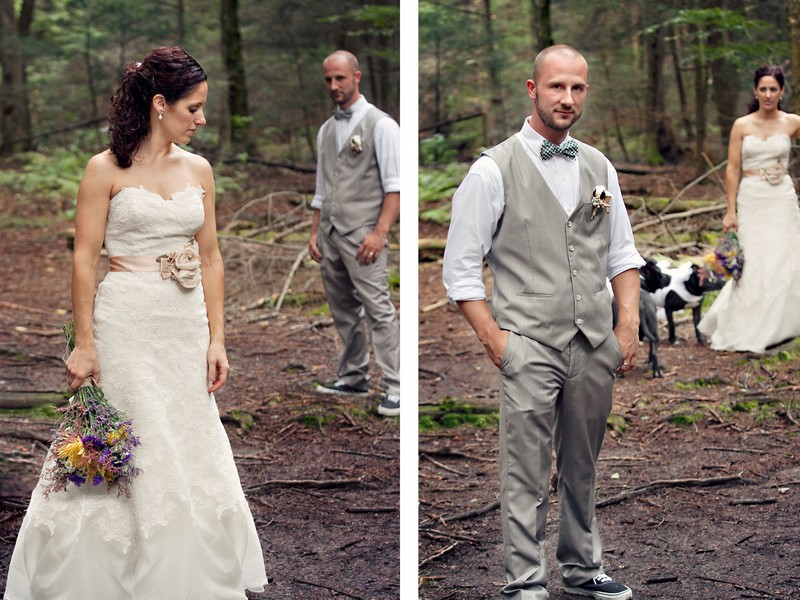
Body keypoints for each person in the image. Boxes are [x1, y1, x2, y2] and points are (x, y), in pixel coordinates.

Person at [4, 47, 267, 598]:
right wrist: (85, 345)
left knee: (187, 436)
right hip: (125, 319)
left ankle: (184, 570)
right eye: (193, 108)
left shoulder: (200, 169)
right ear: (158, 103)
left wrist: (217, 337)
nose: (201, 120)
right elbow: (83, 258)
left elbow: (212, 256)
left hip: (185, 323)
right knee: (122, 438)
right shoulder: (105, 169)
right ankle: (99, 572)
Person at [442, 45, 642, 600]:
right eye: (557, 87)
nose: (568, 99)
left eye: (578, 88)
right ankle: (525, 582)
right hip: (527, 343)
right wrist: (497, 342)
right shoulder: (492, 169)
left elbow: (622, 254)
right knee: (525, 470)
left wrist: (626, 327)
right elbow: (460, 270)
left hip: (594, 344)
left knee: (584, 463)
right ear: (533, 89)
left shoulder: (600, 167)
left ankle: (583, 570)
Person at [308, 50, 401, 417]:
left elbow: (395, 186)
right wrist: (315, 231)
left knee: (378, 308)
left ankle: (397, 386)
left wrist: (379, 233)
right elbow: (321, 185)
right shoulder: (326, 130)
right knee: (343, 307)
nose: (334, 86)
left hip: (364, 233)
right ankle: (352, 376)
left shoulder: (382, 125)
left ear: (356, 77)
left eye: (340, 79)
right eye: (328, 79)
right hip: (330, 232)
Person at [698, 64, 800, 352]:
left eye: (774, 89)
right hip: (752, 195)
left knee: (784, 256)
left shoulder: (792, 122)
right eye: (763, 89)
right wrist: (730, 210)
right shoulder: (742, 125)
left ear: (781, 91)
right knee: (754, 259)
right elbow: (732, 168)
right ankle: (747, 325)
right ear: (755, 90)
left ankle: (784, 324)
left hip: (782, 195)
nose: (768, 94)